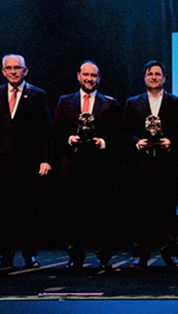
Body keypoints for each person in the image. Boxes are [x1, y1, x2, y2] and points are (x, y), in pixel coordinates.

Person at [0, 54, 52, 270]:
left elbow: (45, 131)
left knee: (28, 211)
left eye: (17, 68)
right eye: (9, 68)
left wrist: (45, 159)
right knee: (4, 212)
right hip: (1, 163)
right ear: (3, 71)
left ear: (25, 71)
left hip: (29, 164)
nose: (13, 71)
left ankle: (30, 255)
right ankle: (5, 256)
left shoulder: (38, 95)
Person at [52, 60, 121, 270]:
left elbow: (119, 134)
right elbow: (56, 131)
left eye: (93, 75)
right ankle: (75, 256)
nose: (89, 79)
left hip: (100, 168)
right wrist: (69, 139)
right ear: (78, 76)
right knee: (73, 214)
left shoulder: (110, 103)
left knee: (102, 214)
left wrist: (103, 142)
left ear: (99, 78)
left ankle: (104, 257)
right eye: (86, 75)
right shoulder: (65, 101)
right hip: (72, 166)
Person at [121, 60, 178, 269]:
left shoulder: (177, 102)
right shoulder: (133, 103)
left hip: (168, 165)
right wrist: (136, 142)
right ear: (144, 77)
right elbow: (124, 130)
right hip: (141, 166)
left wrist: (172, 141)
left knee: (168, 212)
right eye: (150, 74)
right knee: (141, 212)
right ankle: (140, 255)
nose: (154, 77)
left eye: (158, 74)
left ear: (164, 78)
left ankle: (171, 254)